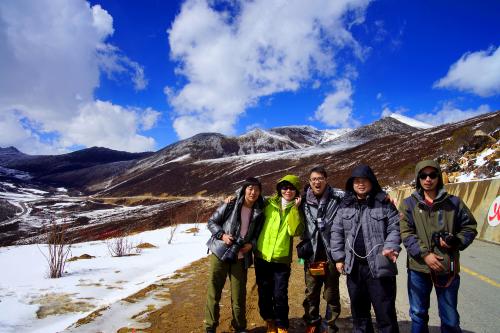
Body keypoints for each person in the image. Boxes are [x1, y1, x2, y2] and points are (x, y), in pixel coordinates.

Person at [399, 160, 477, 333]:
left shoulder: (454, 203)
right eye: (423, 176)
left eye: (432, 175)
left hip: (446, 268)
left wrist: (457, 240)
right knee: (418, 314)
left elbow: (469, 227)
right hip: (418, 268)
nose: (428, 179)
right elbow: (406, 233)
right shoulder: (408, 204)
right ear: (418, 179)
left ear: (438, 177)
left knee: (450, 318)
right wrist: (425, 254)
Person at [331, 164, 401, 333]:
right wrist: (339, 258)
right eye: (356, 181)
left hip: (379, 268)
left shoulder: (384, 203)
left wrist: (390, 246)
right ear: (351, 184)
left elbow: (395, 228)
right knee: (359, 314)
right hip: (354, 268)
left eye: (364, 180)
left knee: (385, 314)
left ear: (372, 182)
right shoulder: (345, 205)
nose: (360, 184)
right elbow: (336, 231)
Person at [204, 177, 265, 333]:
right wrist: (222, 236)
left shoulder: (259, 210)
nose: (253, 192)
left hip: (240, 258)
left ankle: (239, 326)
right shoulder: (231, 204)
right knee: (214, 293)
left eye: (256, 189)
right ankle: (210, 327)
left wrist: (251, 245)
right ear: (244, 189)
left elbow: (257, 235)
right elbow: (211, 222)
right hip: (220, 253)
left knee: (239, 295)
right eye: (250, 188)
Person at [254, 174, 304, 333]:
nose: (288, 190)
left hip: (281, 259)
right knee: (264, 292)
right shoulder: (268, 203)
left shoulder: (297, 208)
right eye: (285, 187)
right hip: (262, 256)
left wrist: (295, 210)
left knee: (280, 294)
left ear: (296, 191)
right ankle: (269, 320)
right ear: (279, 189)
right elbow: (248, 203)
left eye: (291, 188)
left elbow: (295, 231)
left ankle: (282, 325)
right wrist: (230, 199)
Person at [299, 166, 344, 333]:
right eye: (313, 179)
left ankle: (330, 325)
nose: (317, 182)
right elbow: (282, 201)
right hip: (312, 255)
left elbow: (360, 196)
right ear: (309, 182)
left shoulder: (338, 197)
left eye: (320, 178)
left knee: (331, 294)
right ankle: (312, 322)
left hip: (331, 254)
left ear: (326, 179)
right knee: (311, 293)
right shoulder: (303, 200)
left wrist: (383, 197)